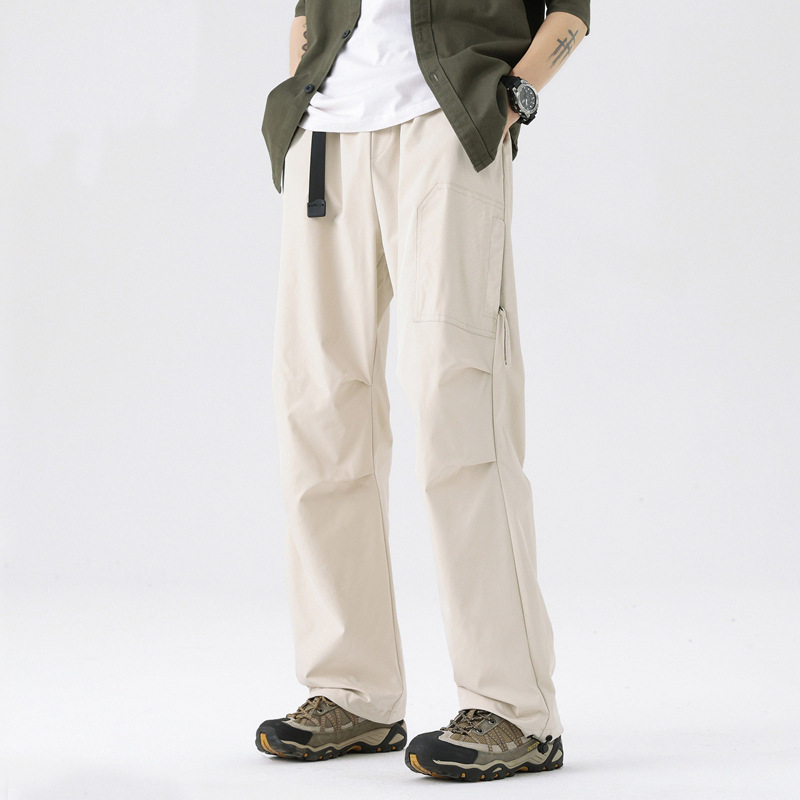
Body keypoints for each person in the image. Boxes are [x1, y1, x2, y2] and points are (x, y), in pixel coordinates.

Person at [255, 0, 590, 783]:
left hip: (448, 121)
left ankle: (514, 707)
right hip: (326, 134)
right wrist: (305, 73)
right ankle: (353, 690)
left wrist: (513, 98)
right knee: (318, 408)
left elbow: (572, 12)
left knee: (457, 399)